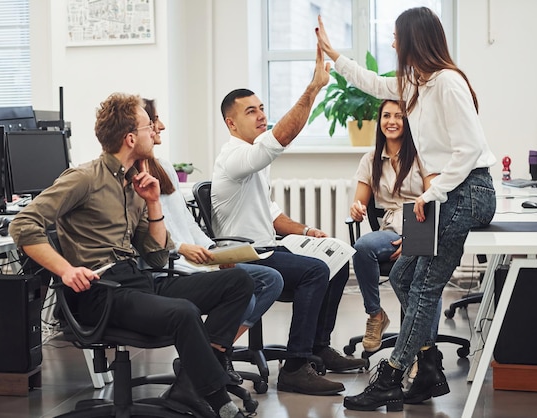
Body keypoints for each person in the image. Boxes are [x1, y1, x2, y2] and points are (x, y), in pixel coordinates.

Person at [9, 92, 254, 418]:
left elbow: (154, 258)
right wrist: (66, 270)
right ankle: (219, 401)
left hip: (136, 282)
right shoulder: (84, 178)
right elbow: (23, 225)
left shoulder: (134, 184)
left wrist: (153, 203)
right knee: (183, 312)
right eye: (146, 127)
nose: (154, 133)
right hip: (101, 291)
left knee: (238, 281)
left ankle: (189, 388)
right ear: (129, 138)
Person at [317, 7, 496, 412]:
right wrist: (334, 55)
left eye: (397, 36)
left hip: (468, 191)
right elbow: (373, 82)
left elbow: (468, 150)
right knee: (401, 275)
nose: (393, 43)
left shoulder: (449, 83)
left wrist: (432, 195)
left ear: (414, 38)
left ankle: (393, 377)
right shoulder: (416, 83)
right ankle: (430, 366)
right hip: (448, 194)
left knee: (424, 284)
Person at [211, 46, 366, 397]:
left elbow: (272, 214)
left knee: (338, 255)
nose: (261, 115)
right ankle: (296, 366)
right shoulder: (233, 156)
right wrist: (313, 88)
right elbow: (280, 139)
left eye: (262, 108)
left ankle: (317, 347)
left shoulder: (254, 161)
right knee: (315, 271)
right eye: (251, 112)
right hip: (245, 253)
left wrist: (309, 232)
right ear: (231, 123)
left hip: (267, 245)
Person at [142, 98, 284, 384]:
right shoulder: (132, 180)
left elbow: (186, 223)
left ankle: (209, 355)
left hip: (198, 260)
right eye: (154, 120)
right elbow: (147, 239)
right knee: (244, 288)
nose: (162, 126)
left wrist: (214, 250)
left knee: (271, 280)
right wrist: (182, 249)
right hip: (171, 267)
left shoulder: (164, 168)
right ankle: (209, 360)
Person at [351, 99, 432, 353]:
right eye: (387, 116)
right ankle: (376, 316)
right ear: (380, 121)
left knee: (426, 275)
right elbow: (360, 200)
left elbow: (433, 199)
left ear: (408, 122)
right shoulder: (371, 159)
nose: (392, 121)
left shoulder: (422, 154)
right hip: (390, 229)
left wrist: (413, 239)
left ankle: (422, 347)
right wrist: (356, 208)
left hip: (421, 225)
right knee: (362, 246)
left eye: (399, 116)